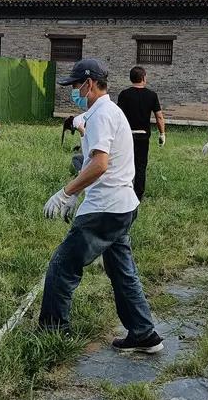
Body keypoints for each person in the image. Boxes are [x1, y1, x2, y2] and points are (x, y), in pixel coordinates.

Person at [39, 58, 164, 354]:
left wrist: (66, 193)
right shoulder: (106, 112)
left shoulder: (101, 115)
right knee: (122, 270)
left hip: (105, 209)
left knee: (62, 265)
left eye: (76, 86)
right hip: (122, 206)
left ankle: (52, 333)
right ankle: (144, 333)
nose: (74, 91)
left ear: (90, 83)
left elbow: (99, 164)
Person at [116, 66, 166, 201]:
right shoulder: (152, 95)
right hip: (143, 136)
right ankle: (138, 195)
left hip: (126, 135)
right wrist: (162, 134)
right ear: (143, 78)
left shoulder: (124, 94)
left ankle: (123, 190)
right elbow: (159, 117)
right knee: (141, 165)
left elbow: (118, 116)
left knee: (124, 164)